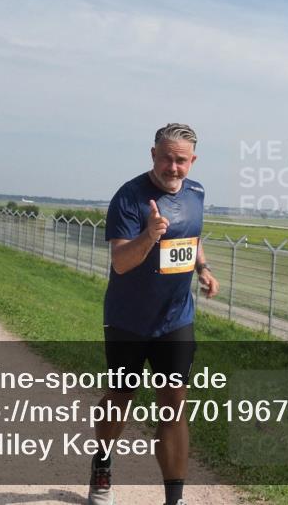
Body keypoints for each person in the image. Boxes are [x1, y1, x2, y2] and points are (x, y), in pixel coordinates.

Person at [88, 123, 218, 505]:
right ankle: (103, 463)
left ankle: (173, 499)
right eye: (166, 158)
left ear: (192, 161)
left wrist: (203, 269)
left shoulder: (196, 193)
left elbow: (192, 238)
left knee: (175, 403)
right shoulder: (129, 198)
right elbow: (121, 263)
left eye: (181, 160)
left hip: (176, 319)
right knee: (120, 395)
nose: (172, 167)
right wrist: (149, 235)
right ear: (153, 155)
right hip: (128, 320)